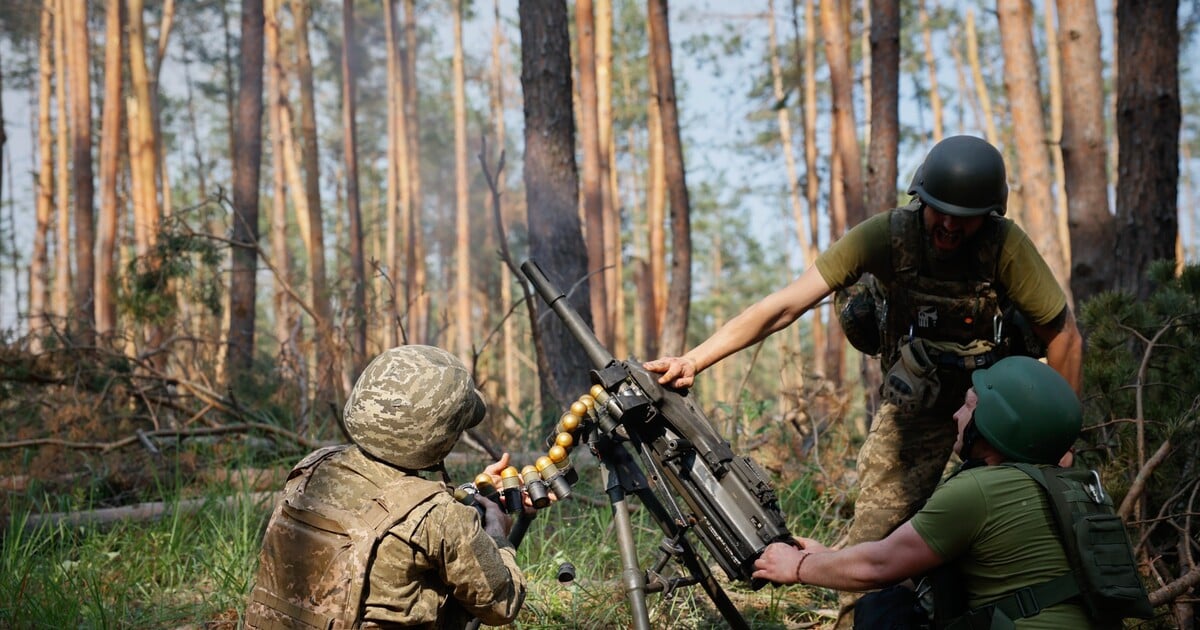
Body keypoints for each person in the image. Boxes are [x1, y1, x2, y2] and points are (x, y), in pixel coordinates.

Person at [644, 135, 1083, 626]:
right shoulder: (886, 235)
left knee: (1008, 529)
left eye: (965, 217)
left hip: (994, 410)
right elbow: (786, 304)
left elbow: (1063, 336)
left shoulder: (1007, 246)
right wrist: (696, 359)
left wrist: (1054, 443)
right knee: (874, 533)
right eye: (939, 211)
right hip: (914, 409)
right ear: (921, 200)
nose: (949, 226)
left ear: (990, 215)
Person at [752, 356, 1125, 628]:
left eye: (969, 405)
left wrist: (797, 566)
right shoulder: (1073, 486)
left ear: (997, 423)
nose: (956, 416)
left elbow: (880, 566)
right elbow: (916, 566)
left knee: (885, 612)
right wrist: (829, 557)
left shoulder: (980, 489)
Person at [244, 345, 526, 629]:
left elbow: (392, 501)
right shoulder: (440, 518)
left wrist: (466, 495)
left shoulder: (312, 467)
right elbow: (502, 604)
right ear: (442, 437)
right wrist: (498, 537)